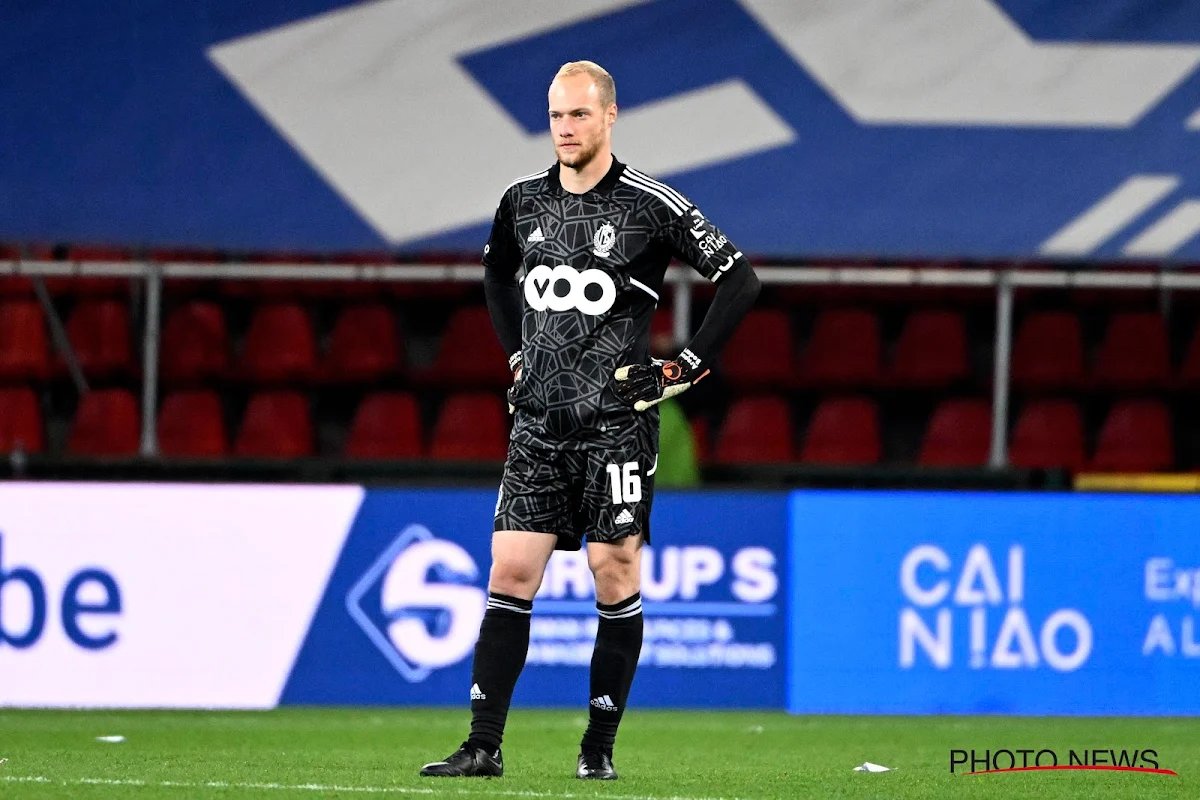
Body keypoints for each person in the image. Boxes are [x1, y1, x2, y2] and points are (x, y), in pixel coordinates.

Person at [420, 60, 760, 781]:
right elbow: (494, 274)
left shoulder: (650, 204)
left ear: (610, 116)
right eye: (555, 116)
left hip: (615, 424)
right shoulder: (520, 201)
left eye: (578, 114)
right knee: (511, 570)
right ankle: (483, 745)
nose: (565, 128)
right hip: (538, 422)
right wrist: (516, 358)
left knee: (614, 572)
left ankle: (597, 749)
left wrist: (686, 365)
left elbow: (739, 279)